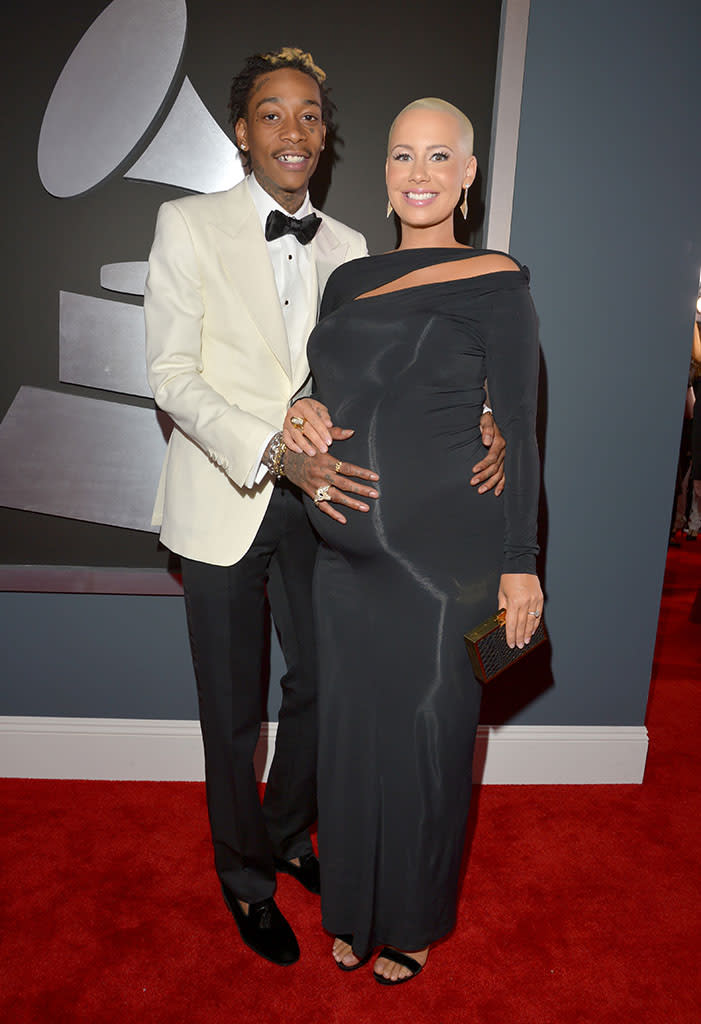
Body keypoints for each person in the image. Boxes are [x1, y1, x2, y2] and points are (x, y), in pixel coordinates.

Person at [144, 50, 506, 968]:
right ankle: (246, 879)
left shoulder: (354, 251)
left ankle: (289, 830)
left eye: (308, 115)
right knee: (230, 709)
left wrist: (489, 418)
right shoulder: (185, 224)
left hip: (334, 513)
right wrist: (277, 445)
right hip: (225, 495)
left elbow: (401, 377)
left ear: (326, 134)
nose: (293, 131)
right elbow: (171, 378)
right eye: (271, 115)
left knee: (319, 692)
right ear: (242, 132)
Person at [283, 98, 543, 984]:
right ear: (384, 169)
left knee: (429, 738)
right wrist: (299, 407)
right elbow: (328, 391)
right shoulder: (347, 280)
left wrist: (521, 564)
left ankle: (415, 918)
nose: (419, 174)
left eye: (439, 157)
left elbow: (519, 422)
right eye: (402, 155)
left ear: (468, 174)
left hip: (444, 560)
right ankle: (351, 906)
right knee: (350, 739)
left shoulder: (497, 278)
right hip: (342, 560)